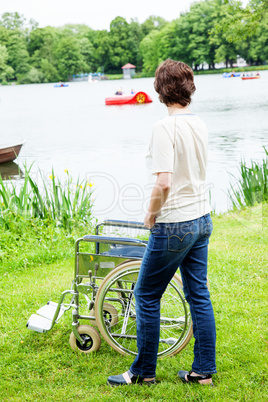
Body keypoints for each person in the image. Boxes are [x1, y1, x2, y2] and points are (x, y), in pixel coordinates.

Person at [107, 59, 216, 387]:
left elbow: (164, 182)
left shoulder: (164, 127)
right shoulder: (199, 123)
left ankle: (142, 373)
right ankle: (203, 372)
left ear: (160, 89)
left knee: (146, 294)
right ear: (189, 88)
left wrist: (152, 214)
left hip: (176, 223)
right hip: (202, 217)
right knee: (198, 293)